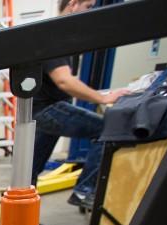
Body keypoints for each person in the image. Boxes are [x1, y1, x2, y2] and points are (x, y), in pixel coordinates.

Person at [31, 0, 131, 210]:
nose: (91, 11)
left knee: (29, 170)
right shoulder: (53, 36)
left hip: (46, 108)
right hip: (49, 109)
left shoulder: (64, 37)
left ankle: (24, 221)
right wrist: (103, 98)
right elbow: (64, 81)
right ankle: (84, 191)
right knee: (107, 130)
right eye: (89, 6)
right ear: (74, 4)